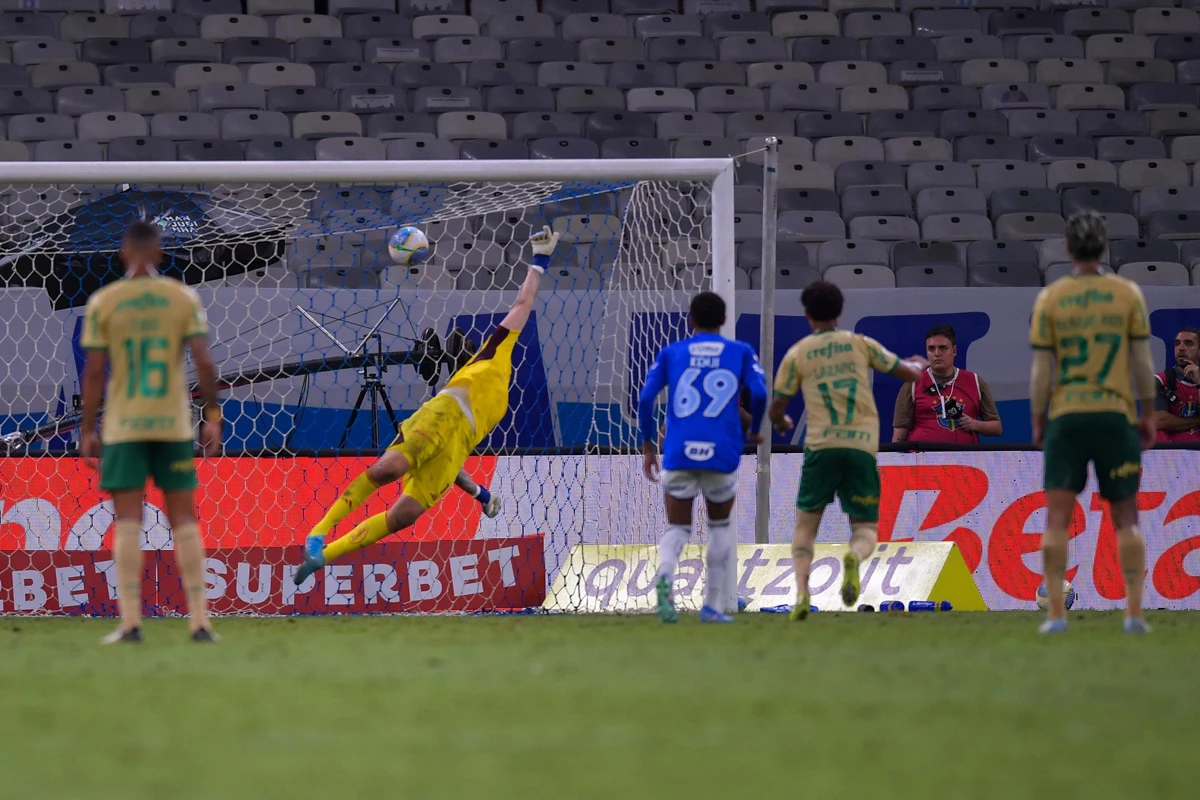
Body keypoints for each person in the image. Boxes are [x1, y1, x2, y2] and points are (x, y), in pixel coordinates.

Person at [293, 226, 561, 585]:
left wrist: (479, 493)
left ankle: (321, 558)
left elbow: (453, 462)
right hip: (439, 416)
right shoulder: (494, 350)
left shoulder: (500, 402)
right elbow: (522, 303)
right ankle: (318, 532)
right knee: (386, 471)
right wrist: (539, 261)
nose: (460, 346)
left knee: (403, 516)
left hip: (456, 444)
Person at [79, 221, 221, 644]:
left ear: (123, 253)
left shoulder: (104, 301)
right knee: (184, 517)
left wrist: (88, 428)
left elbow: (94, 372)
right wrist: (211, 415)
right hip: (173, 423)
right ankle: (199, 621)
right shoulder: (181, 297)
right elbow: (206, 363)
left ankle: (130, 623)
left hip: (125, 425)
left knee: (127, 518)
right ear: (160, 254)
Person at [1030, 211, 1156, 635]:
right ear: (1104, 247)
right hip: (1115, 416)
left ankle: (1055, 617)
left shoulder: (1051, 298)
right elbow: (1141, 362)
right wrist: (1149, 412)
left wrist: (1038, 419)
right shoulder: (1127, 294)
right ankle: (1135, 614)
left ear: (1066, 249)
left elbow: (1041, 371)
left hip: (1067, 416)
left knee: (1057, 521)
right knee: (1126, 517)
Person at [769, 282, 927, 621]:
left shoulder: (798, 352)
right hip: (860, 447)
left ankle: (801, 593)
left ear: (807, 314)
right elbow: (907, 372)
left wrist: (781, 421)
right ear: (839, 312)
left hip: (821, 447)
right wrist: (919, 364)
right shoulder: (860, 344)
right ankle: (854, 555)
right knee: (866, 527)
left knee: (805, 526)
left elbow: (777, 404)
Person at [638, 291, 767, 624]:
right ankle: (711, 606)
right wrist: (755, 431)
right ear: (724, 321)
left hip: (679, 451)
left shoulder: (672, 353)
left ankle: (665, 580)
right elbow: (762, 392)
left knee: (678, 528)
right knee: (720, 527)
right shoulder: (739, 352)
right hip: (720, 453)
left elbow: (645, 398)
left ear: (691, 321)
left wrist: (648, 445)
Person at [892, 324, 1002, 444]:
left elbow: (996, 427)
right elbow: (899, 433)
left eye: (943, 348)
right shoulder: (913, 383)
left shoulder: (975, 381)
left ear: (954, 351)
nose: (937, 353)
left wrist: (975, 424)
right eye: (931, 349)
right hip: (924, 459)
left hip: (965, 459)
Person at [1153, 326, 1200, 443]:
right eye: (1177, 344)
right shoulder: (1161, 380)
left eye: (1188, 343)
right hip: (1170, 455)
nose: (1181, 348)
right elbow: (1159, 420)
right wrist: (1197, 421)